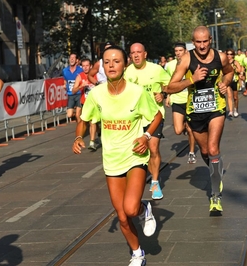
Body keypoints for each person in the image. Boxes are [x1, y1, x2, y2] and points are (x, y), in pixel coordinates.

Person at [72, 45, 163, 266]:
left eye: (116, 61)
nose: (111, 65)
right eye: (107, 61)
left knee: (131, 208)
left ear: (125, 64)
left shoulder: (137, 92)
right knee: (122, 216)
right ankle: (137, 253)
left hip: (134, 156)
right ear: (102, 65)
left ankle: (144, 209)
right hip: (111, 160)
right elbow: (84, 119)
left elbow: (157, 116)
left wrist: (146, 136)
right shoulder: (96, 94)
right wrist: (78, 137)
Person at [165, 26, 234, 213]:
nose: (202, 46)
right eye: (198, 42)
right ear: (193, 42)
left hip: (216, 108)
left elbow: (229, 72)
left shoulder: (221, 57)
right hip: (195, 111)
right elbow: (170, 87)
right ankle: (216, 174)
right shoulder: (187, 59)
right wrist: (192, 80)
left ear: (210, 40)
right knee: (204, 151)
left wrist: (225, 84)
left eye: (205, 41)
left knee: (213, 148)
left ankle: (215, 197)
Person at [125, 43, 171, 200]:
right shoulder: (127, 72)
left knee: (153, 148)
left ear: (145, 54)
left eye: (139, 52)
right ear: (130, 56)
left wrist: (163, 94)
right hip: (136, 117)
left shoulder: (156, 69)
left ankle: (155, 182)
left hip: (154, 115)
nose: (136, 55)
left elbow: (170, 84)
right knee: (140, 150)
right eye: (133, 53)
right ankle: (145, 173)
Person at [165, 42, 197, 164]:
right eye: (176, 51)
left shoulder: (190, 62)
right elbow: (169, 83)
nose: (178, 53)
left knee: (190, 129)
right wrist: (168, 96)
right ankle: (185, 124)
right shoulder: (169, 65)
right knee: (178, 130)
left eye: (180, 50)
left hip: (190, 100)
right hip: (177, 100)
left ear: (185, 51)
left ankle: (192, 152)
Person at [72, 58, 98, 150]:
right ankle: (92, 141)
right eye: (83, 66)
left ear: (91, 66)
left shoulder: (95, 75)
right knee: (90, 122)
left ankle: (92, 142)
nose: (85, 68)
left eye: (87, 66)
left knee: (93, 122)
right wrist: (81, 86)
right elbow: (73, 90)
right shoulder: (80, 76)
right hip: (85, 103)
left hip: (96, 103)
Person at [62, 52, 83, 123]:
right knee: (69, 115)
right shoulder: (65, 71)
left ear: (77, 60)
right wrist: (64, 85)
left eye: (73, 58)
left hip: (79, 94)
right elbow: (65, 80)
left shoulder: (81, 70)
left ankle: (80, 130)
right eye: (70, 58)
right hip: (70, 94)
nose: (71, 60)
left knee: (77, 115)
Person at [225, 48, 243, 118]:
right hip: (228, 81)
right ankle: (230, 111)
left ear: (233, 55)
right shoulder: (225, 62)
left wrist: (235, 69)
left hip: (234, 80)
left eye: (231, 54)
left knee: (235, 97)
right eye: (228, 54)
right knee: (229, 96)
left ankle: (236, 109)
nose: (229, 56)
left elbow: (239, 70)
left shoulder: (235, 62)